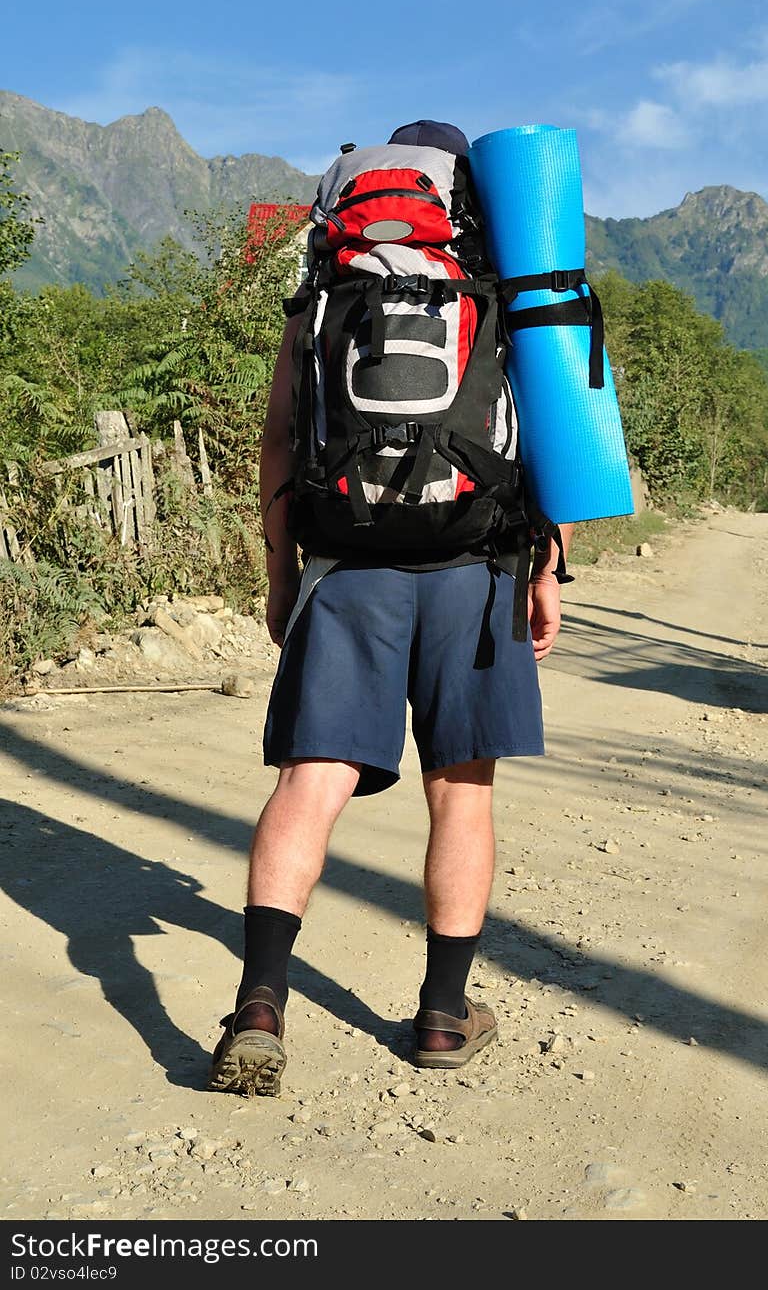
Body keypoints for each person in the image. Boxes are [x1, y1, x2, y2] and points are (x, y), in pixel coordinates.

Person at [209, 120, 572, 1097]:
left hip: (349, 558)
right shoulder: (495, 282)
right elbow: (547, 436)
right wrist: (547, 566)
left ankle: (258, 1003)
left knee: (308, 785)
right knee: (460, 791)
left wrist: (283, 572)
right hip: (476, 563)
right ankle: (446, 1015)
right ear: (465, 194)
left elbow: (282, 440)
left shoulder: (330, 290)